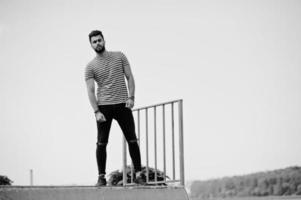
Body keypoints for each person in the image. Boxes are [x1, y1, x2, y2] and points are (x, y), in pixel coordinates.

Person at [85, 30, 143, 186]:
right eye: (94, 41)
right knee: (101, 143)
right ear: (91, 45)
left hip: (123, 104)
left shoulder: (119, 56)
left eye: (99, 40)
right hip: (104, 107)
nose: (97, 43)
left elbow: (130, 77)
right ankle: (101, 177)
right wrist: (96, 111)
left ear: (104, 40)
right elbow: (90, 91)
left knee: (132, 139)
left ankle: (138, 174)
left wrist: (131, 97)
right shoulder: (90, 66)